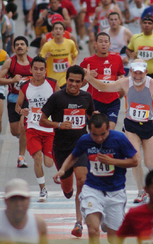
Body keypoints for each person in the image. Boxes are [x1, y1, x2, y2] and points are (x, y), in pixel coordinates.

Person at [83, 59, 153, 203]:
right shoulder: (125, 82)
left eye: (141, 73)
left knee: (149, 162)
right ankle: (141, 191)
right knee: (135, 160)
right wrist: (90, 79)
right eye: (135, 72)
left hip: (148, 125)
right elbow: (104, 87)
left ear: (146, 72)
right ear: (131, 72)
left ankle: (152, 184)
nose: (138, 76)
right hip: (131, 126)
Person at [53, 114, 138, 244]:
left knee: (113, 238)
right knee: (93, 231)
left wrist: (112, 161)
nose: (99, 138)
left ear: (108, 128)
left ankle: (106, 220)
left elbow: (135, 161)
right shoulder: (85, 140)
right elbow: (74, 156)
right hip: (92, 189)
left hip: (115, 192)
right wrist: (63, 169)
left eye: (103, 134)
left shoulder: (119, 138)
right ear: (89, 130)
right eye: (94, 135)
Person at [39, 65, 94, 237]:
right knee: (68, 188)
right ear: (66, 79)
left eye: (78, 81)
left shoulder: (87, 97)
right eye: (71, 80)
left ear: (82, 82)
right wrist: (58, 125)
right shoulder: (57, 97)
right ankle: (67, 189)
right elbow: (42, 120)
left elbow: (93, 117)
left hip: (81, 146)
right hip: (61, 148)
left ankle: (79, 222)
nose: (74, 84)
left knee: (82, 180)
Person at [16, 56, 59, 202]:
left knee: (48, 163)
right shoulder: (25, 86)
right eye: (36, 69)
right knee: (37, 158)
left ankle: (53, 153)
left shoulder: (53, 84)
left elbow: (60, 102)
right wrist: (22, 111)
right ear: (31, 70)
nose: (38, 72)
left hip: (48, 128)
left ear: (46, 70)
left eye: (41, 69)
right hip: (32, 127)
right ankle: (43, 190)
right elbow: (18, 105)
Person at [0, 36, 33, 167]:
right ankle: (23, 138)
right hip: (13, 99)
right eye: (17, 45)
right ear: (14, 48)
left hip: (28, 100)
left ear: (27, 48)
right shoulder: (10, 63)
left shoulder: (33, 63)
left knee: (23, 127)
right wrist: (12, 80)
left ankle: (21, 158)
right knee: (15, 131)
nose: (20, 46)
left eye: (22, 44)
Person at [80, 32, 126, 130]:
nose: (103, 44)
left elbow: (121, 74)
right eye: (100, 41)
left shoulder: (117, 58)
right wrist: (87, 77)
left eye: (106, 42)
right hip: (94, 101)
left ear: (109, 44)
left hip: (112, 100)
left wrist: (121, 79)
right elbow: (79, 84)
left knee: (110, 129)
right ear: (95, 44)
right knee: (95, 130)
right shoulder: (87, 61)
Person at [39, 21, 78, 88]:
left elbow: (76, 54)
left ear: (64, 32)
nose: (58, 31)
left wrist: (74, 63)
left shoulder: (70, 43)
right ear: (52, 32)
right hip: (52, 79)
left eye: (60, 29)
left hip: (66, 79)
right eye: (56, 29)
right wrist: (45, 58)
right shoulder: (47, 45)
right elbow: (39, 61)